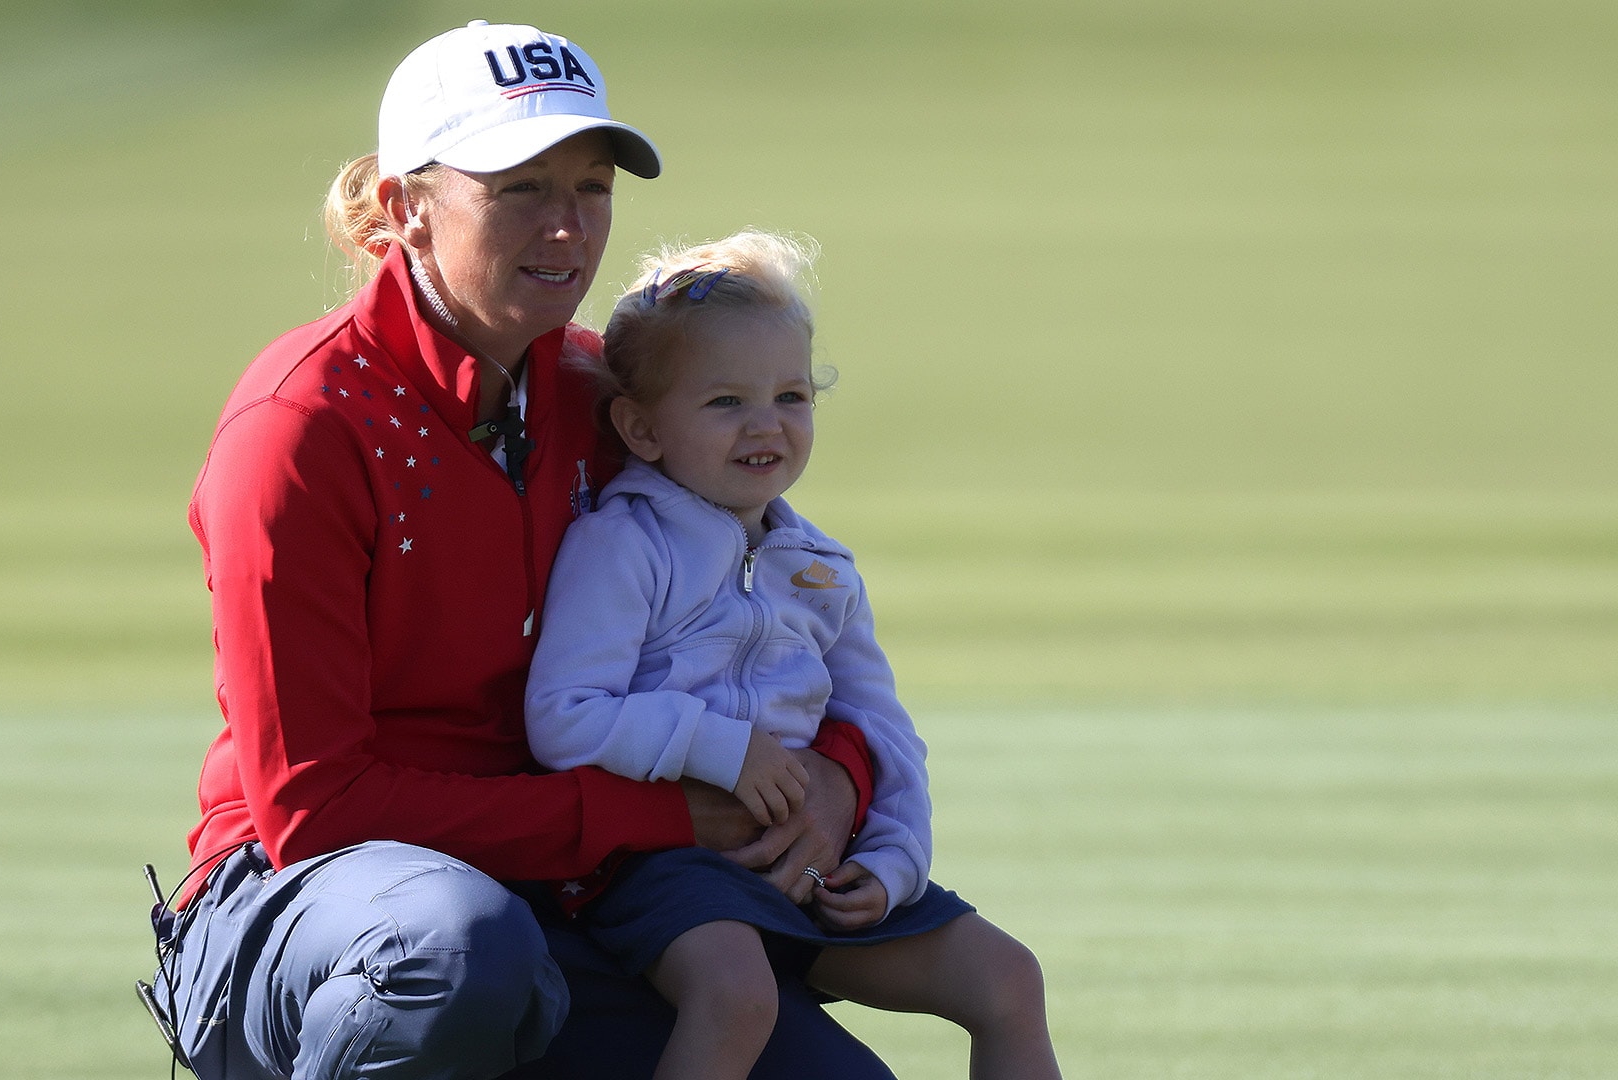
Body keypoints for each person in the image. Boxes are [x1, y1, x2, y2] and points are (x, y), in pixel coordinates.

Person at [148, 20, 925, 1080]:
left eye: (592, 187)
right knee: (454, 951)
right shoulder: (302, 430)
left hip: (551, 887)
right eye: (519, 188)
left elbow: (771, 612)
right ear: (403, 210)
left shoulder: (602, 396)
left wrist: (838, 777)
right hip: (304, 907)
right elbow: (314, 811)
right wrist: (653, 813)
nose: (568, 228)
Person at [523, 232, 1063, 1080]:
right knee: (737, 997)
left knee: (1007, 978)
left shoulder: (821, 568)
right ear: (641, 427)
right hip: (660, 868)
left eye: (792, 395)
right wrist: (723, 748)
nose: (767, 424)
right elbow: (563, 718)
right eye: (726, 402)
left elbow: (882, 732)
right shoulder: (621, 544)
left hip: (810, 869)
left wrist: (892, 860)